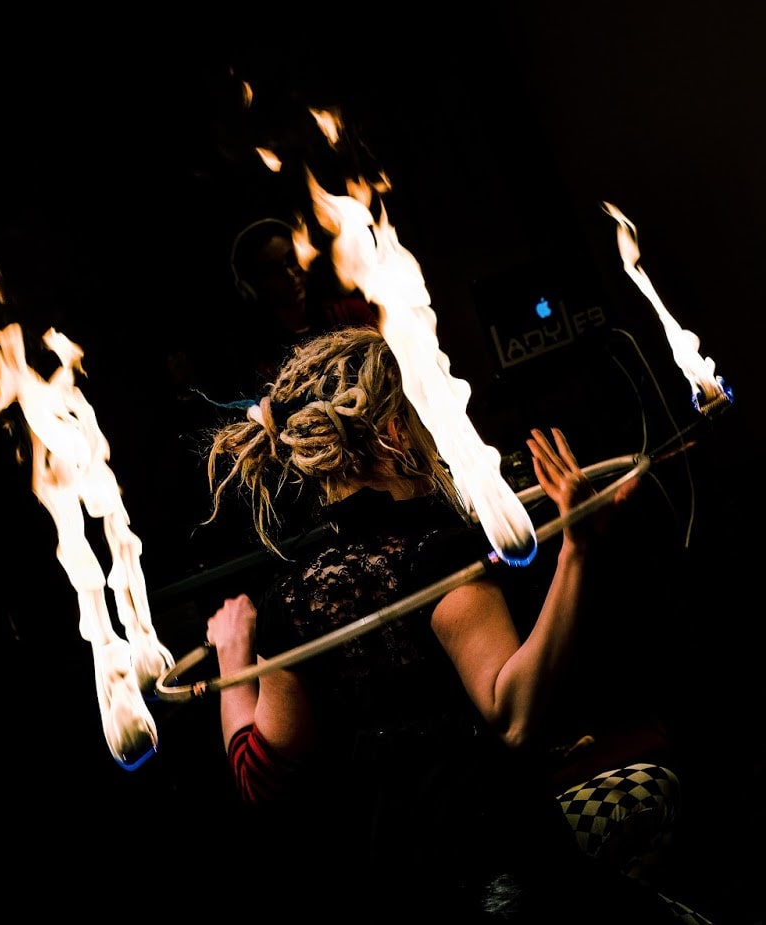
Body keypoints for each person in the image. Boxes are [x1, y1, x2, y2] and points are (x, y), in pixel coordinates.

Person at [199, 325, 686, 919]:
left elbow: (257, 777)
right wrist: (577, 550)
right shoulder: (434, 555)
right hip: (500, 871)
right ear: (396, 430)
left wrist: (233, 658)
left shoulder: (294, 601)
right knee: (654, 800)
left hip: (399, 888)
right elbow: (512, 715)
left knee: (644, 796)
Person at [226, 215, 380, 387]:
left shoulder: (349, 313)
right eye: (273, 270)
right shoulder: (257, 356)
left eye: (291, 260)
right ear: (251, 286)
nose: (290, 274)